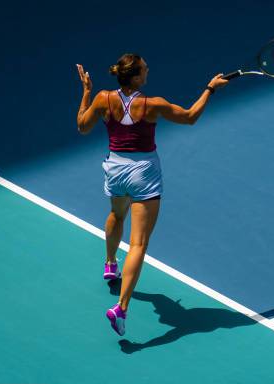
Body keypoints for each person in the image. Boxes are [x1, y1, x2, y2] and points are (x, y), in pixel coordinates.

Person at [75, 54, 228, 335]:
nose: (148, 71)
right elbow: (191, 117)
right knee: (138, 244)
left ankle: (110, 265)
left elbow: (82, 127)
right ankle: (121, 309)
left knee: (116, 214)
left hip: (115, 168)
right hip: (144, 174)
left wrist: (86, 92)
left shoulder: (103, 98)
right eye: (144, 69)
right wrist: (210, 89)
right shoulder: (153, 104)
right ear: (134, 77)